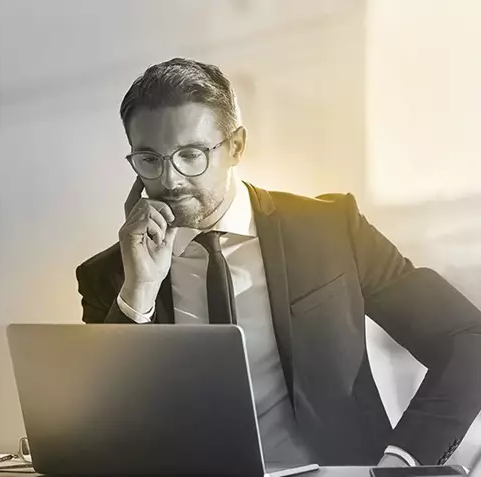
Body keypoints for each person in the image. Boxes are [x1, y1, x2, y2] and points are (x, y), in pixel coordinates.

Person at [75, 58, 481, 468]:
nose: (170, 179)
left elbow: (469, 340)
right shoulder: (110, 276)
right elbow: (104, 436)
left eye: (191, 155)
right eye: (149, 159)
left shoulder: (330, 230)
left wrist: (401, 462)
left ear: (236, 147)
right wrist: (139, 291)